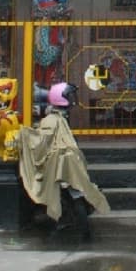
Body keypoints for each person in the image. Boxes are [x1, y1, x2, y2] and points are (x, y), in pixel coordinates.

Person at [17, 82, 110, 236]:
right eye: (69, 96)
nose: (73, 99)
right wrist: (25, 135)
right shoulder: (52, 119)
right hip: (55, 161)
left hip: (68, 159)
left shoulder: (60, 117)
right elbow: (43, 138)